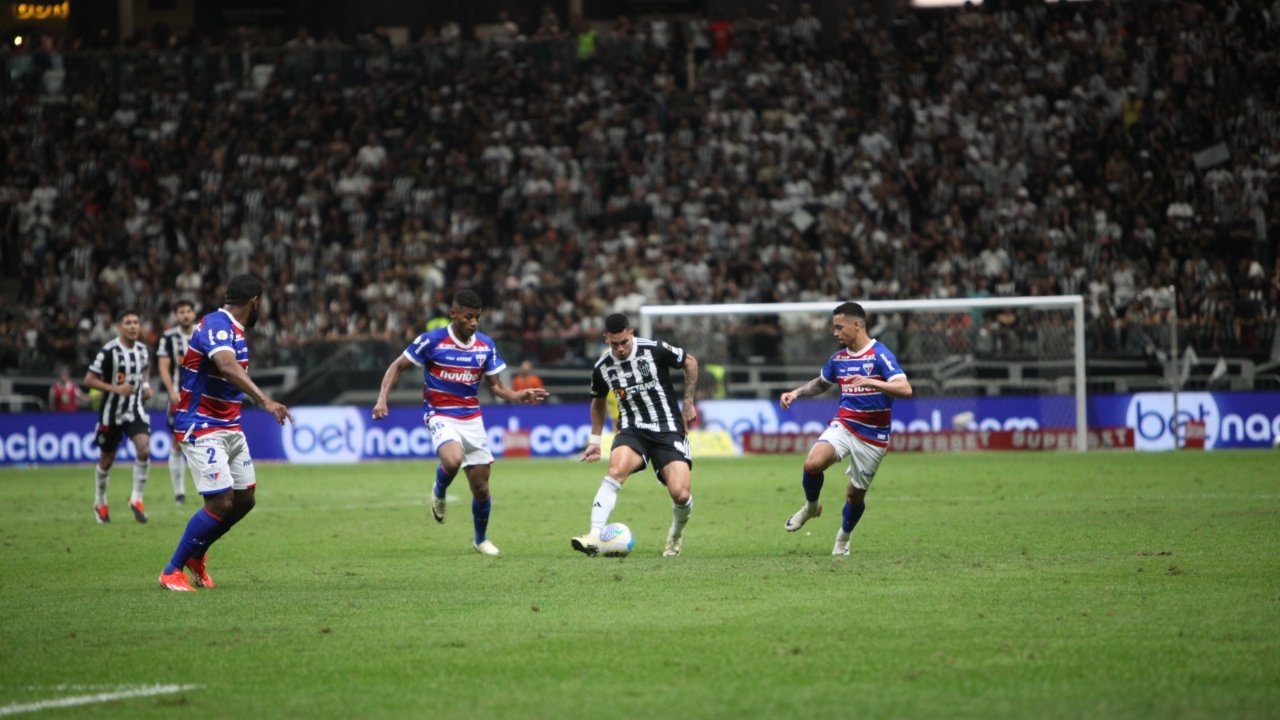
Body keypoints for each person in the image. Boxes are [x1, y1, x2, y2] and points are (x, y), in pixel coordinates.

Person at [372, 289, 549, 556]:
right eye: (468, 317)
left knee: (481, 487)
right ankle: (438, 490)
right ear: (453, 314)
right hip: (440, 413)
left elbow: (496, 386)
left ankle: (480, 540)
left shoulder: (485, 345)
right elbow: (397, 366)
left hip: (472, 418)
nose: (474, 323)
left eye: (477, 317)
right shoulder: (432, 341)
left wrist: (516, 395)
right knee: (453, 460)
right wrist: (382, 399)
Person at [158, 275, 293, 592]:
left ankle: (197, 555)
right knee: (220, 502)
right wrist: (266, 401)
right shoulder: (217, 323)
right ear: (255, 301)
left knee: (244, 500)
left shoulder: (236, 330)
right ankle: (171, 570)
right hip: (201, 424)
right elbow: (227, 366)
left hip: (229, 425)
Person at [779, 301, 913, 556]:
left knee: (854, 495)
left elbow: (905, 389)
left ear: (857, 325)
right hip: (845, 424)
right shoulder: (838, 359)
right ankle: (810, 507)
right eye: (834, 327)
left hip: (873, 437)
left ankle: (843, 537)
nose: (835, 332)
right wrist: (795, 393)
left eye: (839, 327)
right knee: (812, 463)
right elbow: (822, 383)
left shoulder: (879, 354)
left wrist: (873, 382)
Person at [573, 313, 699, 557]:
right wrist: (595, 441)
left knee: (681, 494)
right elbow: (598, 403)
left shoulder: (655, 350)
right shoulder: (602, 368)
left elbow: (691, 362)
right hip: (633, 430)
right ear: (605, 339)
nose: (620, 349)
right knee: (615, 472)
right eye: (614, 344)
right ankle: (594, 535)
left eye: (624, 342)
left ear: (631, 333)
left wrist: (688, 403)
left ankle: (675, 535)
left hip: (668, 428)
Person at [83, 308, 153, 525]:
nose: (133, 326)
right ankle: (100, 501)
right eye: (128, 322)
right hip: (110, 412)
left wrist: (147, 386)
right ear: (119, 327)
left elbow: (145, 370)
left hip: (134, 410)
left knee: (144, 448)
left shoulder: (142, 350)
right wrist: (116, 388)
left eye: (136, 322)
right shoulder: (108, 351)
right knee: (107, 459)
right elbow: (89, 380)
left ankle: (136, 499)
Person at [156, 299, 197, 505]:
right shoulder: (169, 337)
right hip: (179, 398)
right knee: (178, 442)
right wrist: (172, 391)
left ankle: (208, 487)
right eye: (181, 312)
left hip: (203, 398)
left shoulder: (202, 333)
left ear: (194, 313)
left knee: (204, 440)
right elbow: (163, 366)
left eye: (188, 311)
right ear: (176, 315)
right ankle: (179, 493)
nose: (185, 315)